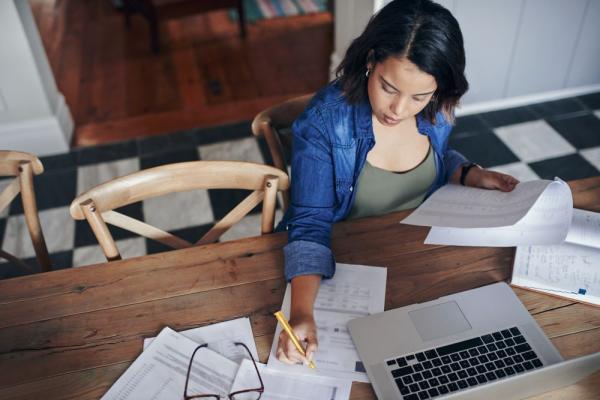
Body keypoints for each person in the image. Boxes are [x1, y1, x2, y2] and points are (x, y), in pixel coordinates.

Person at [275, 0, 519, 366]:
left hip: (424, 263)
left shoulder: (438, 106)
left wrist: (467, 173)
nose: (399, 109)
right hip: (352, 274)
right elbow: (309, 226)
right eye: (389, 88)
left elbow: (433, 163)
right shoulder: (325, 122)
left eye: (419, 96)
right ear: (371, 61)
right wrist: (302, 314)